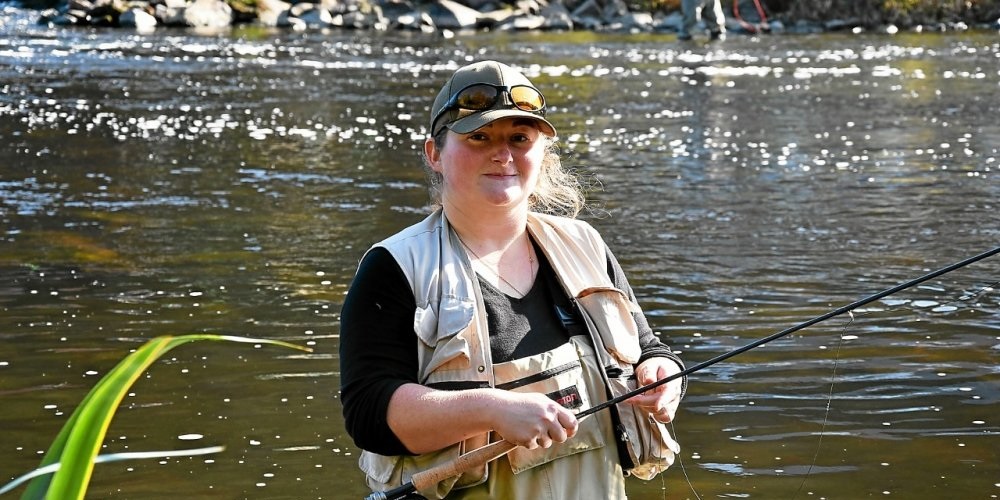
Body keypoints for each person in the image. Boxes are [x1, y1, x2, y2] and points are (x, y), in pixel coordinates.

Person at [339, 60, 687, 499]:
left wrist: (665, 375)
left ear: (542, 154)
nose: (502, 154)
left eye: (519, 138)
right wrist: (491, 409)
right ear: (434, 154)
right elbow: (369, 413)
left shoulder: (585, 244)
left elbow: (651, 349)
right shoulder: (393, 266)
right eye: (479, 137)